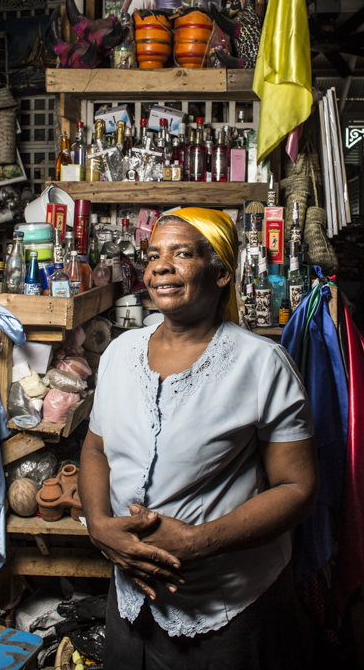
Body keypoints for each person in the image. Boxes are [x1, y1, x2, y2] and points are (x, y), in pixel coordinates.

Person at [78, 207, 318, 669]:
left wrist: (198, 542)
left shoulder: (262, 364)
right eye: (153, 256)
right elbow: (95, 447)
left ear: (222, 272)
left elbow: (299, 490)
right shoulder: (119, 353)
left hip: (224, 606)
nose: (160, 267)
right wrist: (98, 525)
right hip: (130, 597)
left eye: (181, 253)